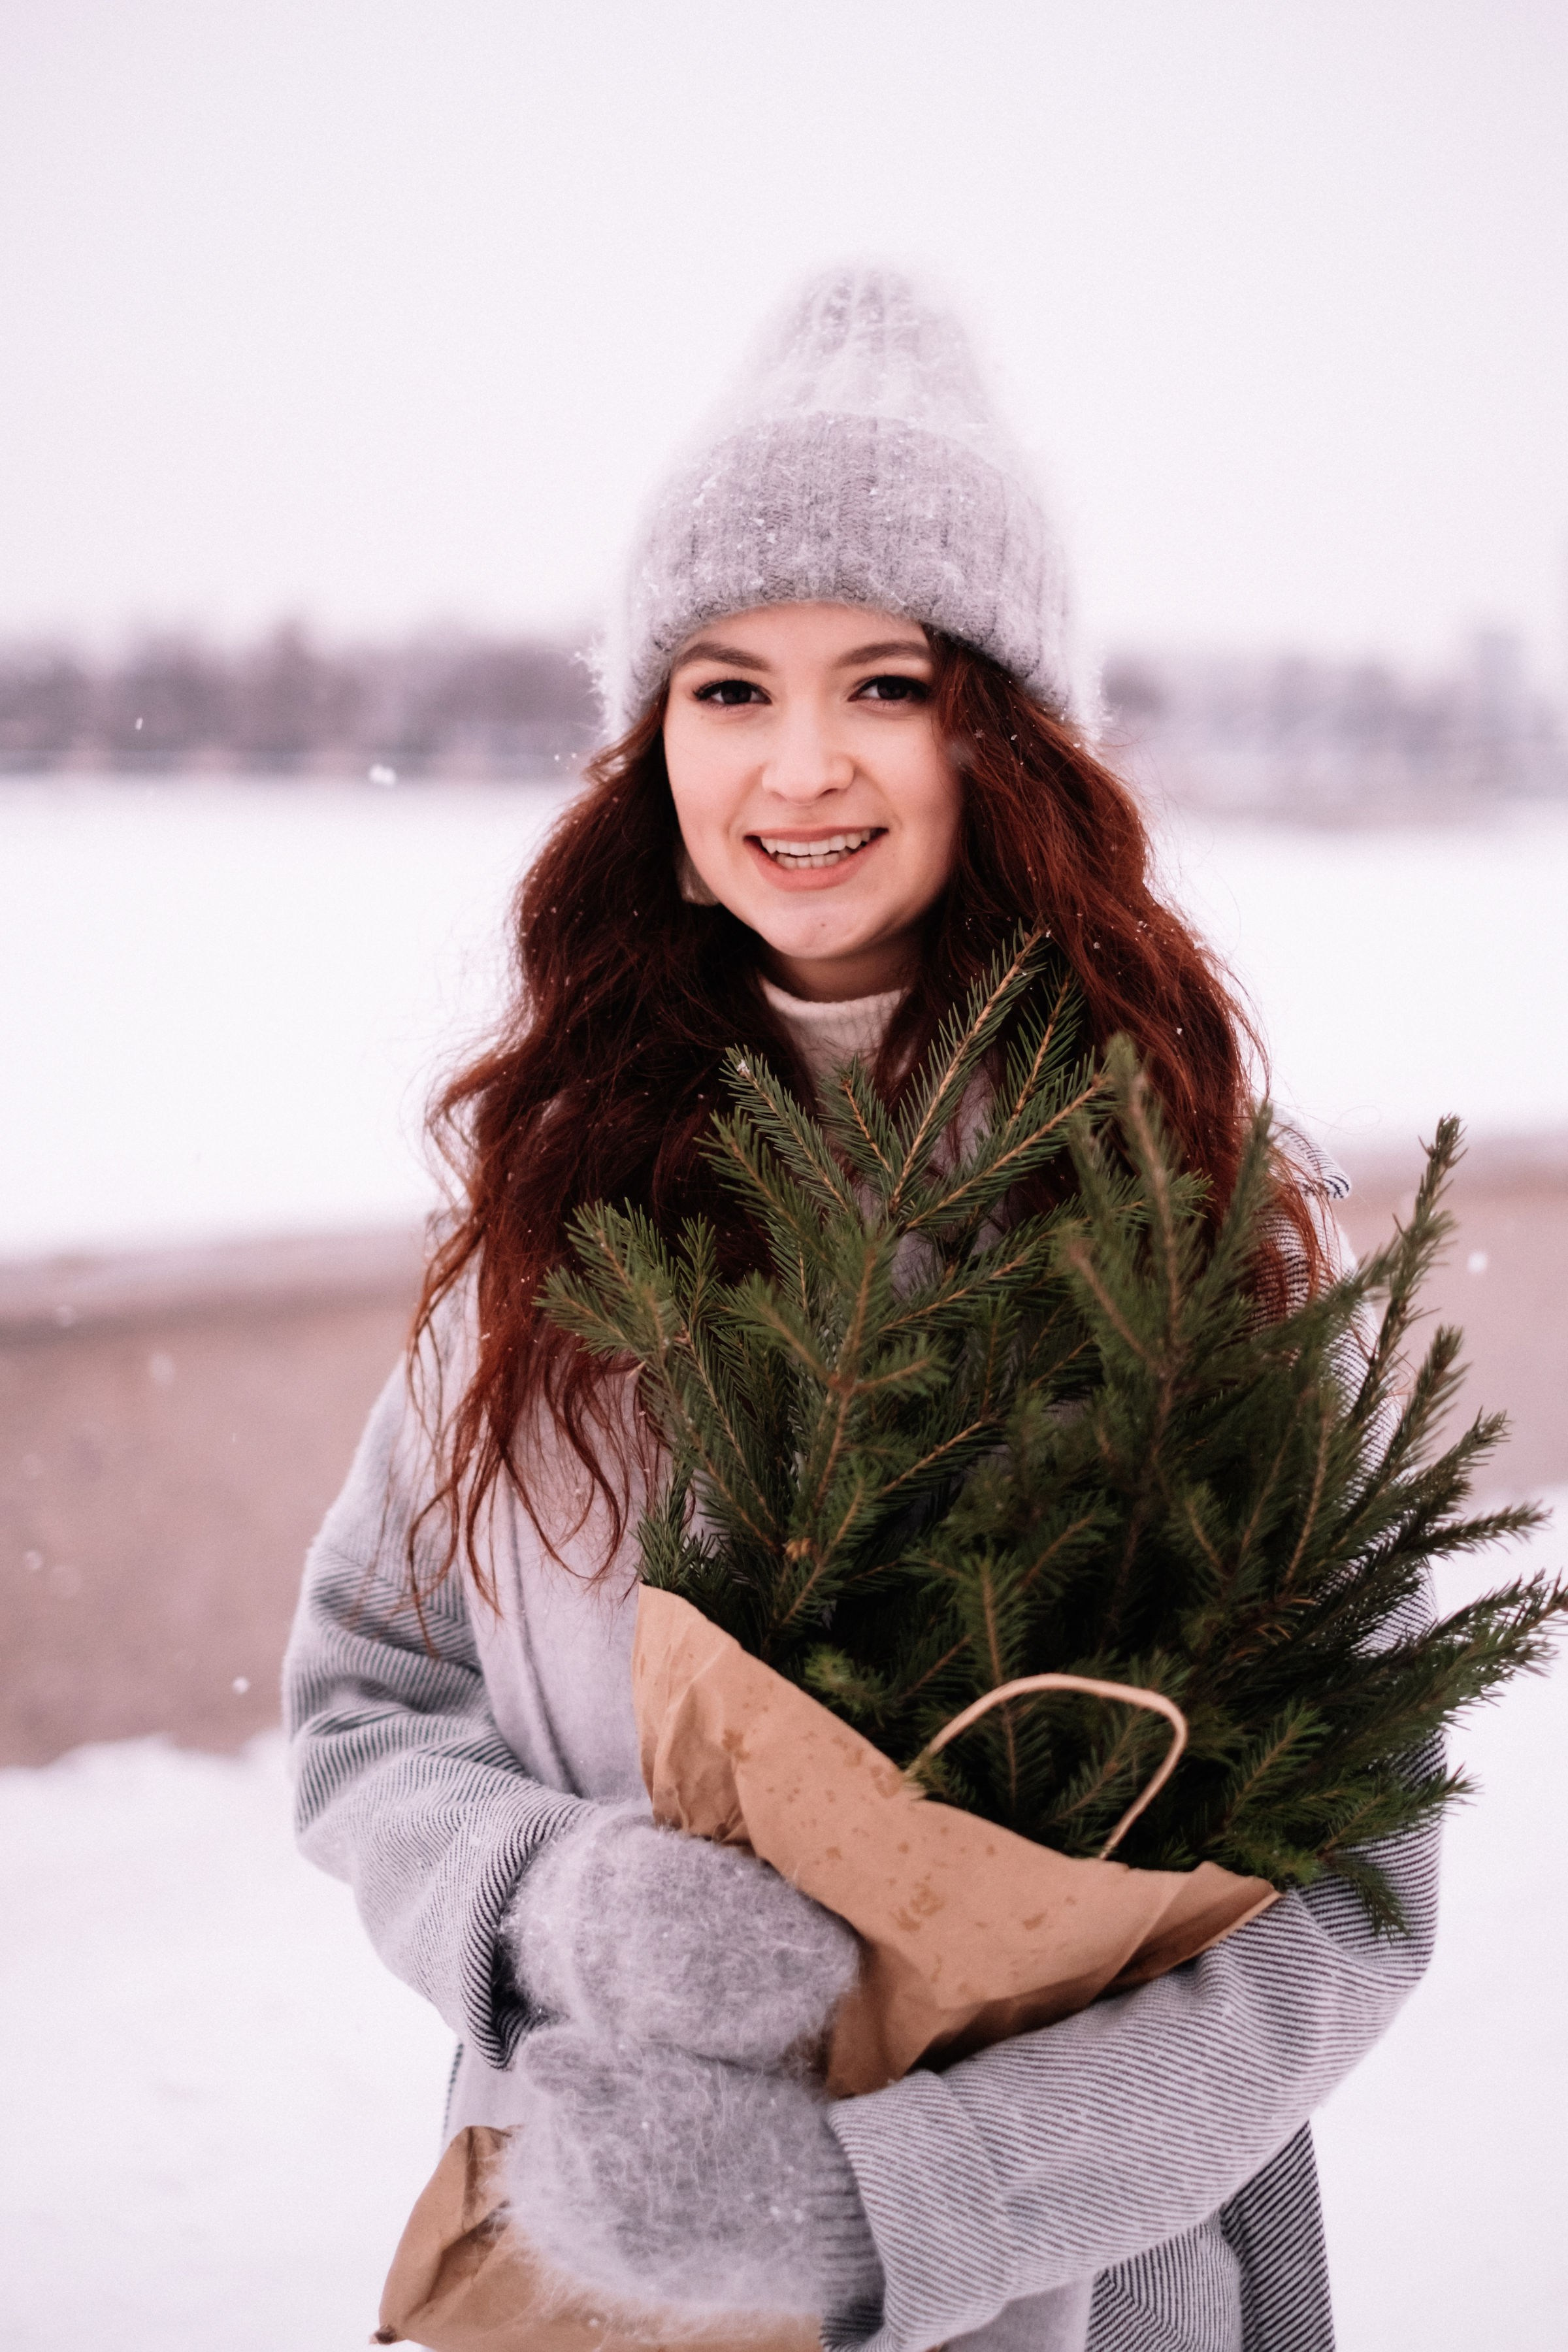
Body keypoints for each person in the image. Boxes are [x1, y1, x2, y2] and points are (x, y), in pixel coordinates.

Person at [284, 270, 1435, 2352]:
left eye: (884, 683)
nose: (799, 765)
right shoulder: (554, 1211)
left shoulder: (1197, 1225)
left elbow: (1346, 1897)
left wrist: (891, 2207)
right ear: (654, 744)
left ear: (1004, 739)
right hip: (581, 2280)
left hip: (1077, 2303)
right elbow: (368, 1703)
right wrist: (557, 1904)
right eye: (728, 686)